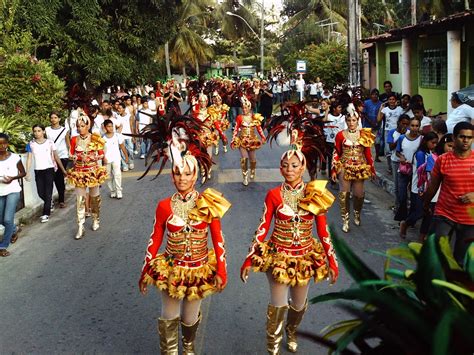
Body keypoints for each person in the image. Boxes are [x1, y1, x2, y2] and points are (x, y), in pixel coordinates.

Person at [240, 125, 338, 354]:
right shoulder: (273, 195)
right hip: (278, 255)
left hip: (304, 256)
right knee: (278, 304)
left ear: (303, 167)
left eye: (294, 165)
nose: (289, 169)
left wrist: (332, 261)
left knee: (299, 304)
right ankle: (272, 343)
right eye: (285, 165)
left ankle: (292, 331)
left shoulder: (315, 194)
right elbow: (263, 227)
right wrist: (249, 258)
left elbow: (323, 232)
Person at [138, 117, 230, 355]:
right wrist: (145, 268)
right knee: (169, 316)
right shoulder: (164, 206)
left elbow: (218, 239)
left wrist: (222, 270)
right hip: (171, 268)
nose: (182, 178)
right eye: (178, 173)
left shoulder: (208, 202)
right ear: (172, 176)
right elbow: (155, 238)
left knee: (190, 318)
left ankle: (188, 347)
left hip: (199, 267)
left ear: (195, 175)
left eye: (187, 174)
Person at [423, 122, 474, 263]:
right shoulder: (443, 160)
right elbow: (433, 186)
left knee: (461, 260)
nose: (465, 140)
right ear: (454, 137)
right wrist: (425, 204)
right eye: (462, 137)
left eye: (469, 138)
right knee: (436, 254)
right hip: (444, 214)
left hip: (469, 220)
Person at [331, 105, 376, 232]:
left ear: (358, 121)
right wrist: (334, 170)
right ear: (346, 121)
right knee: (344, 193)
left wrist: (372, 169)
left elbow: (368, 154)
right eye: (349, 120)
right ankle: (345, 220)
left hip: (360, 167)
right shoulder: (340, 135)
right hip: (344, 165)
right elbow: (336, 152)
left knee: (358, 194)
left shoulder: (364, 134)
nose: (351, 123)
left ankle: (357, 213)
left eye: (354, 120)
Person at [67, 114, 108, 239]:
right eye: (78, 126)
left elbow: (101, 154)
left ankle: (96, 219)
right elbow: (70, 153)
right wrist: (76, 157)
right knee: (80, 200)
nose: (80, 128)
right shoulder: (74, 139)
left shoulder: (95, 138)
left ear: (88, 126)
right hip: (79, 171)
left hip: (92, 171)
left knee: (94, 197)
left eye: (82, 126)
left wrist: (91, 157)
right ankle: (80, 226)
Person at [399, 132, 438, 239]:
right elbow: (423, 173)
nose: (434, 145)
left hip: (428, 187)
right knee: (419, 212)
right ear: (426, 142)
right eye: (433, 143)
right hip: (419, 188)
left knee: (428, 214)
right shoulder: (420, 154)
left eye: (436, 143)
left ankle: (422, 236)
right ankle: (405, 223)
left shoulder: (429, 153)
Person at [25, 124, 67, 223]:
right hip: (38, 170)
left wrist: (63, 170)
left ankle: (45, 213)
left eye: (39, 130)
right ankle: (49, 203)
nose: (37, 133)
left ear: (43, 131)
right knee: (40, 192)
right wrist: (27, 172)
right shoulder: (30, 144)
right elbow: (29, 158)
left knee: (48, 192)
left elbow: (56, 157)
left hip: (49, 169)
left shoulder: (50, 142)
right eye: (35, 131)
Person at [418, 134, 454, 241]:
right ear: (443, 144)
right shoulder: (433, 158)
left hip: (446, 195)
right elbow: (431, 178)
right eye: (449, 146)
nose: (451, 149)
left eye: (453, 147)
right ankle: (421, 239)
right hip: (434, 193)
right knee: (428, 218)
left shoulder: (453, 160)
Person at [0, 133, 26, 256]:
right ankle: (14, 230)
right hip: (0, 192)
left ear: (7, 144)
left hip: (13, 190)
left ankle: (3, 246)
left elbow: (23, 173)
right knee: (1, 219)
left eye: (4, 143)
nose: (1, 146)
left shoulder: (15, 157)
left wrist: (13, 178)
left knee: (7, 219)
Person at [231, 96, 266, 186]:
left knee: (252, 159)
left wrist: (263, 137)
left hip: (252, 141)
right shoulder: (239, 117)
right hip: (242, 141)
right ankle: (245, 177)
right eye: (243, 107)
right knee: (244, 158)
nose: (244, 109)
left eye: (246, 107)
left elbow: (259, 128)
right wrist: (233, 140)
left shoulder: (255, 117)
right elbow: (235, 129)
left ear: (250, 108)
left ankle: (253, 170)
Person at [192, 93, 227, 182]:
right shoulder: (195, 112)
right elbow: (192, 124)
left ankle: (208, 169)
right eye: (201, 101)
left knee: (209, 155)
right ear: (199, 102)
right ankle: (203, 171)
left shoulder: (211, 111)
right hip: (199, 136)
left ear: (207, 102)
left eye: (204, 101)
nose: (203, 103)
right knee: (200, 155)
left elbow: (216, 124)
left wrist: (222, 134)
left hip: (208, 136)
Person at [394, 117, 422, 222]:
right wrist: (401, 157)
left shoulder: (422, 139)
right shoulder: (402, 138)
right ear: (409, 126)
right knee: (402, 195)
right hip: (403, 170)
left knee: (414, 196)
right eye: (412, 125)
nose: (414, 128)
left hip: (416, 172)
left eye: (417, 126)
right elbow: (398, 151)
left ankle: (410, 219)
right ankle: (402, 217)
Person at [46, 112, 70, 208]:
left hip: (62, 156)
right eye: (52, 117)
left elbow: (67, 142)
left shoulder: (65, 130)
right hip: (50, 156)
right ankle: (51, 200)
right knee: (52, 178)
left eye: (55, 117)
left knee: (59, 177)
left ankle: (61, 200)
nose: (53, 119)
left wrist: (71, 152)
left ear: (59, 119)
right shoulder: (47, 130)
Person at [387, 114, 410, 212]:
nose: (404, 126)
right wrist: (400, 137)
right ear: (398, 123)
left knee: (406, 186)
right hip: (396, 161)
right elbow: (391, 147)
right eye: (403, 123)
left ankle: (406, 205)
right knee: (397, 186)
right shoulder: (392, 132)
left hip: (407, 162)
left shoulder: (410, 132)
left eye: (406, 124)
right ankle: (398, 206)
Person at [103, 119, 128, 199]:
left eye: (111, 126)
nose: (110, 128)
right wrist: (103, 158)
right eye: (108, 126)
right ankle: (112, 191)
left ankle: (119, 191)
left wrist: (126, 156)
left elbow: (122, 147)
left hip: (116, 158)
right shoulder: (102, 138)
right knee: (108, 176)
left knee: (117, 175)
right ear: (105, 127)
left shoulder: (117, 135)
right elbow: (101, 150)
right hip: (107, 159)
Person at [208, 91, 230, 155]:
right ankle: (216, 149)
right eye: (217, 101)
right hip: (215, 124)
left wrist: (222, 120)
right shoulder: (212, 107)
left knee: (223, 136)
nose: (218, 102)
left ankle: (224, 146)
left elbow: (224, 115)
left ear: (221, 101)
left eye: (219, 100)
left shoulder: (223, 107)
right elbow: (212, 116)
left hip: (222, 124)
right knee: (215, 136)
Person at [116, 103, 135, 171]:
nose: (119, 109)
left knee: (130, 150)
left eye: (120, 108)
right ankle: (124, 165)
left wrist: (133, 136)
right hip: (121, 136)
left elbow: (131, 126)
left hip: (128, 135)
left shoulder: (129, 116)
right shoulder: (117, 117)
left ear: (124, 109)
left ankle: (131, 162)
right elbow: (116, 126)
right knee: (122, 151)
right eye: (118, 108)